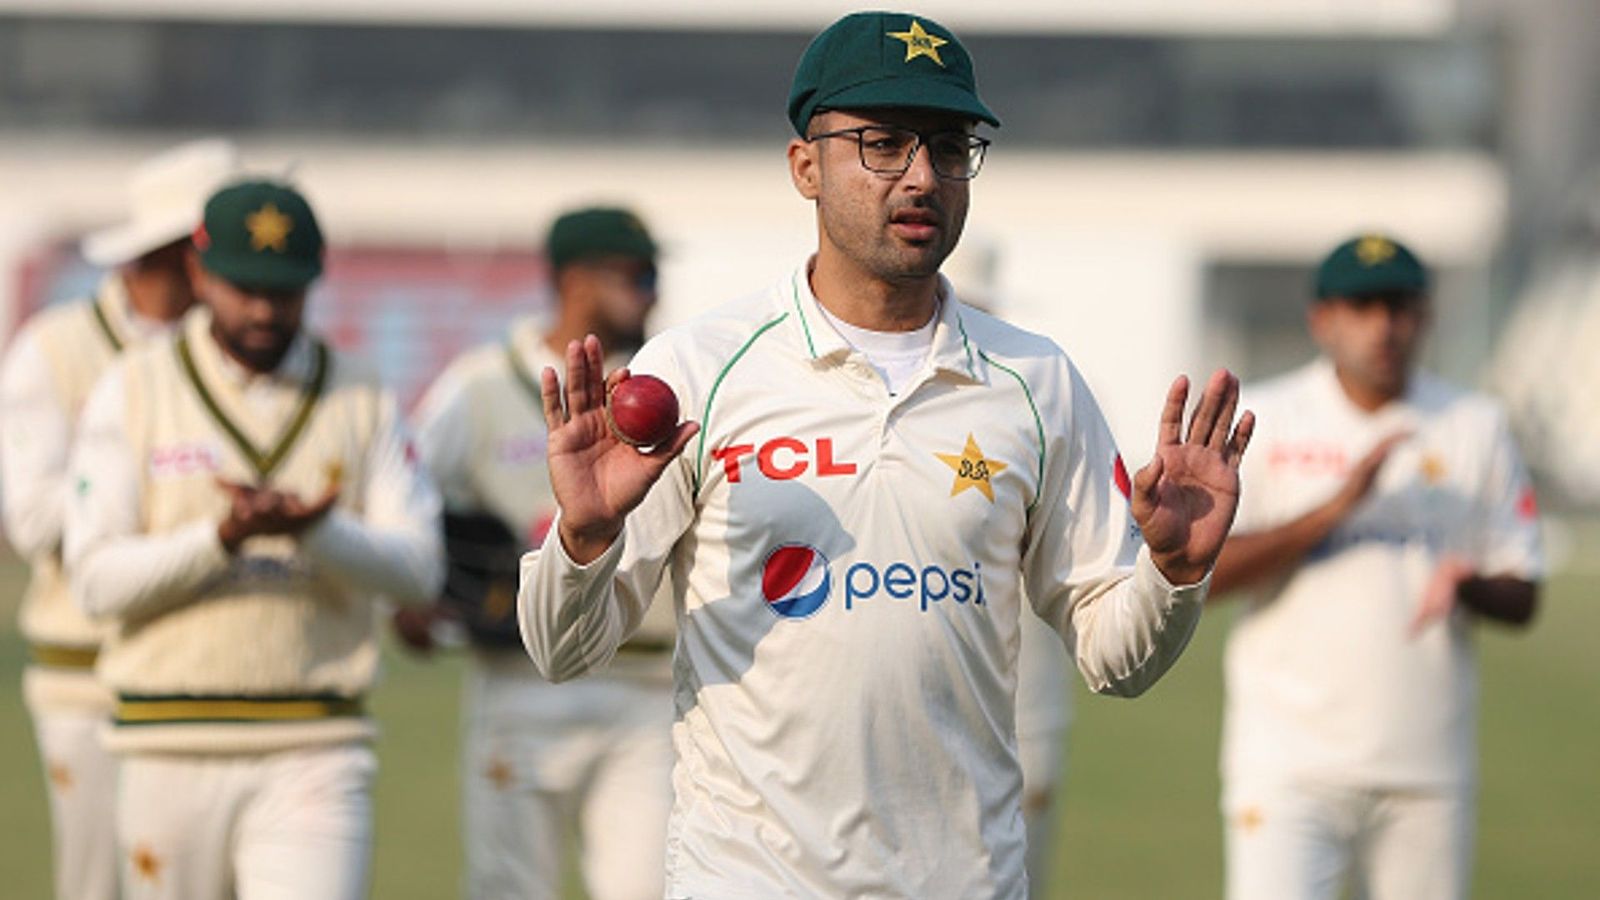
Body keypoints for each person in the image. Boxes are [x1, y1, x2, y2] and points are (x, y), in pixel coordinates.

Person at [518, 12, 1254, 899]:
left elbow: (1116, 659)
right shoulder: (701, 370)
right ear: (804, 166)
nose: (921, 176)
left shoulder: (1034, 380)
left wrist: (1171, 574)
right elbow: (562, 654)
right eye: (882, 143)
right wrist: (585, 539)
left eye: (950, 146)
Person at [63, 178, 444, 900]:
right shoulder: (134, 387)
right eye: (244, 288)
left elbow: (421, 571)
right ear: (200, 274)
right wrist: (223, 539)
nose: (266, 310)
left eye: (286, 290)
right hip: (164, 745)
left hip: (317, 747)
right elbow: (95, 581)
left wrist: (317, 530)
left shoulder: (360, 392)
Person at [1210, 234, 1543, 900]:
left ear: (1425, 316)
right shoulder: (1270, 419)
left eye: (1399, 306)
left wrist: (1469, 584)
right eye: (1362, 307)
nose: (1383, 326)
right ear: (1322, 319)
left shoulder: (1473, 425)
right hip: (1289, 763)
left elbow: (1524, 590)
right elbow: (1207, 575)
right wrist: (1331, 512)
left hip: (1426, 769)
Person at [401, 206, 674, 900]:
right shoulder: (481, 383)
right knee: (508, 888)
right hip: (518, 676)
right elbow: (408, 494)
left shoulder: (667, 380)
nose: (651, 292)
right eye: (636, 275)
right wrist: (410, 592)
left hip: (647, 683)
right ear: (577, 278)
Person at [0, 138, 236, 900]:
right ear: (180, 252)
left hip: (215, 670)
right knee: (98, 885)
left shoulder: (236, 354)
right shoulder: (57, 350)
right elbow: (32, 520)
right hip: (90, 678)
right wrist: (152, 490)